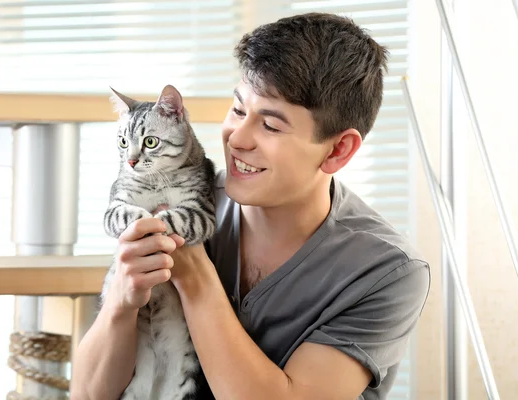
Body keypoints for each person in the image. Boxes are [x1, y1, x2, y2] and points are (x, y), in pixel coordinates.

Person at [71, 12, 431, 400]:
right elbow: (89, 394)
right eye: (239, 110)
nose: (237, 139)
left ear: (338, 150)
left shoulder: (385, 271)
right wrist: (122, 302)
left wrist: (193, 276)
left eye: (271, 126)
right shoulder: (186, 197)